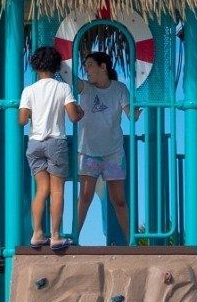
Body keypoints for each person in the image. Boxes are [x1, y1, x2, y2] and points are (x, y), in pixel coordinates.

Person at [19, 45, 81, 250]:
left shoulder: (29, 90)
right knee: (57, 190)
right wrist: (80, 111)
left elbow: (22, 120)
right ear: (56, 66)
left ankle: (37, 233)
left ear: (35, 66)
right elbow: (73, 116)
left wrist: (32, 114)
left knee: (41, 190)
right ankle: (55, 235)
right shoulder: (62, 88)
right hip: (56, 142)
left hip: (34, 143)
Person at [71, 51, 131, 243]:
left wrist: (136, 112)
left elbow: (131, 114)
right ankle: (74, 239)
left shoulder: (120, 89)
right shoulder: (85, 88)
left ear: (103, 66)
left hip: (113, 153)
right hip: (88, 152)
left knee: (119, 200)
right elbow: (68, 77)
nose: (86, 70)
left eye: (90, 65)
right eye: (85, 66)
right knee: (85, 197)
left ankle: (131, 242)